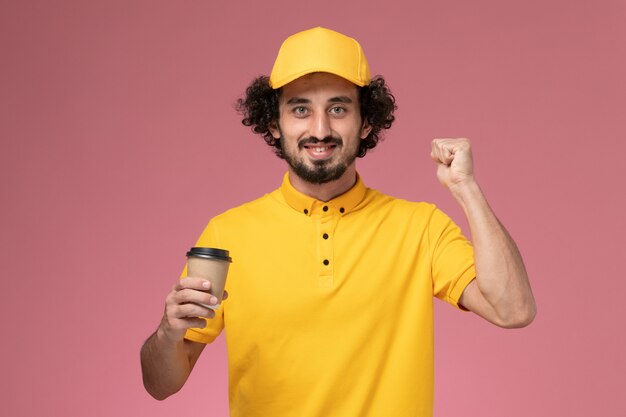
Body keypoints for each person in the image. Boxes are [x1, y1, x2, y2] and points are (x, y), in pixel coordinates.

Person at [140, 27, 536, 416]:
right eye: (300, 109)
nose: (320, 130)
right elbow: (160, 385)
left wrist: (466, 188)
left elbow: (513, 310)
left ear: (366, 123)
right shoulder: (229, 234)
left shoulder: (421, 228)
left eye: (338, 108)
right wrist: (167, 333)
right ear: (274, 124)